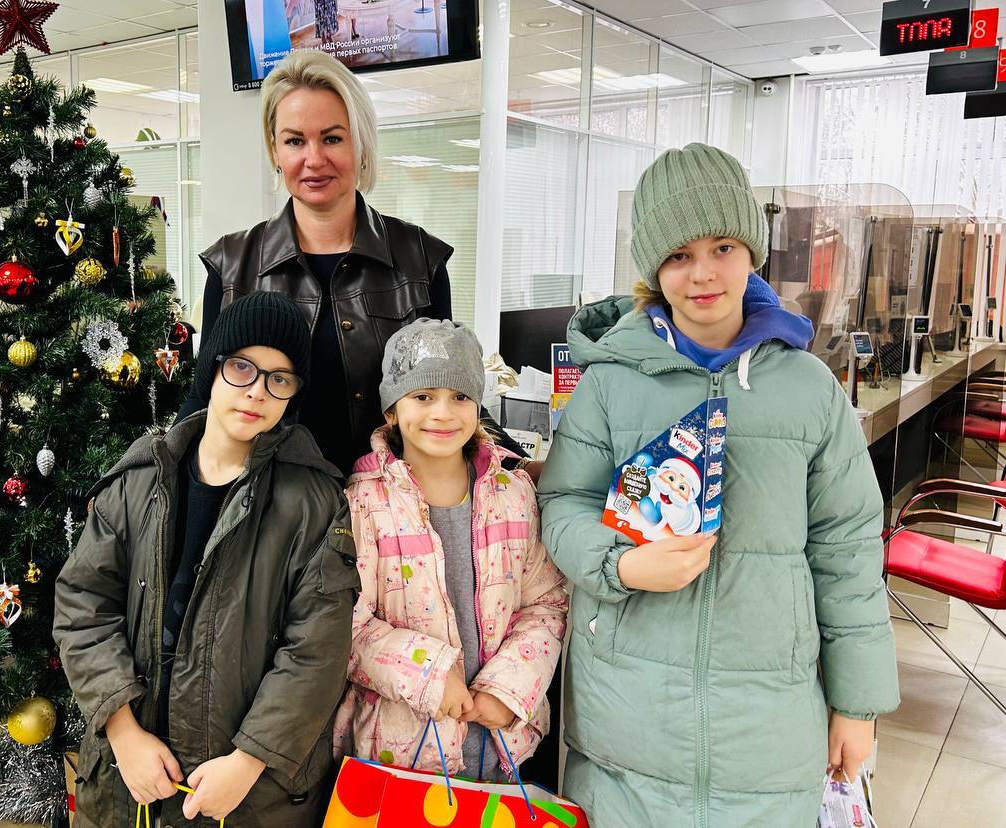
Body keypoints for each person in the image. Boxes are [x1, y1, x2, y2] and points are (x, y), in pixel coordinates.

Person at [538, 142, 899, 825]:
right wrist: (621, 564)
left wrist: (858, 703)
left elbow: (848, 551)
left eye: (723, 247)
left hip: (768, 732)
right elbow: (561, 504)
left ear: (752, 251)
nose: (702, 273)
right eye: (678, 255)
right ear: (653, 267)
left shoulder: (810, 389)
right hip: (626, 728)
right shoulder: (609, 384)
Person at [54, 291, 359, 828]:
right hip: (127, 781)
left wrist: (249, 761)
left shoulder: (314, 503)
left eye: (279, 378)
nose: (257, 391)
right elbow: (83, 605)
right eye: (242, 367)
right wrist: (123, 732)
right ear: (212, 369)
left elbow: (316, 651)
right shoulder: (138, 481)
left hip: (251, 794)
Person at [178, 49, 533, 478]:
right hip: (270, 507)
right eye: (294, 141)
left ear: (361, 145)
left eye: (332, 138)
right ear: (274, 151)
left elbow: (449, 391)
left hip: (396, 504)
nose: (313, 159)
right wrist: (153, 476)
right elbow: (205, 401)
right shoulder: (232, 265)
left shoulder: (420, 260)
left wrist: (522, 465)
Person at [334, 318, 568, 781]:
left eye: (460, 396)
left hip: (500, 751)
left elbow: (546, 603)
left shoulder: (514, 495)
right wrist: (429, 675)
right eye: (423, 396)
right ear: (391, 411)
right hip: (397, 761)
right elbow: (344, 626)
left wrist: (508, 688)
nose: (443, 413)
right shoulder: (363, 504)